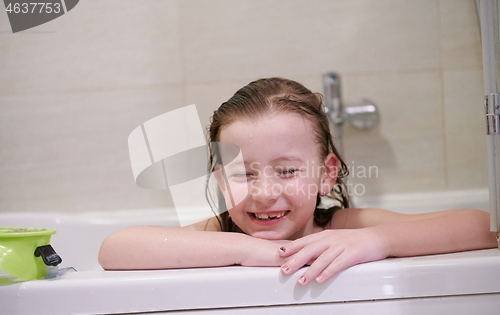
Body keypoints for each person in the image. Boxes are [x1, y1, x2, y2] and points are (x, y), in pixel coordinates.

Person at [98, 77, 497, 286]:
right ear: (222, 181)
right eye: (242, 174)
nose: (264, 192)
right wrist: (242, 249)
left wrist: (376, 241)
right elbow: (115, 249)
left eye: (287, 170)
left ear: (326, 174)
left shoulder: (341, 227)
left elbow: (484, 228)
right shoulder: (222, 232)